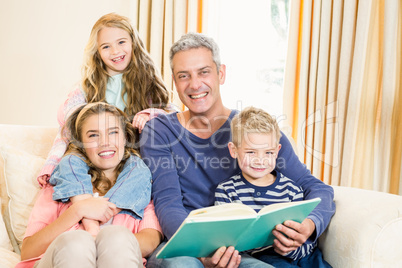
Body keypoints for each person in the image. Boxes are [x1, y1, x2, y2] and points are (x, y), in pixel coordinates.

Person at [139, 32, 335, 268]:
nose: (195, 84)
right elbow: (168, 203)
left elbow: (315, 187)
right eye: (184, 76)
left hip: (239, 251)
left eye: (203, 72)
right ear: (174, 81)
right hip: (184, 245)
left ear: (220, 74)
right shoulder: (159, 130)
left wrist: (310, 226)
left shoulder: (253, 130)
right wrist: (202, 253)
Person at [17, 102, 163, 268]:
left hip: (120, 257)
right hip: (61, 259)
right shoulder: (60, 185)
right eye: (93, 135)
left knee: (116, 237)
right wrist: (78, 210)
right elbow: (28, 252)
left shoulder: (141, 186)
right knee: (77, 241)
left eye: (113, 132)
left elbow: (151, 241)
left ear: (125, 138)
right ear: (81, 143)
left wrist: (102, 243)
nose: (105, 142)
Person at [37, 12, 171, 187]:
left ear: (133, 43)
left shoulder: (148, 83)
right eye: (106, 47)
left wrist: (150, 114)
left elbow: (172, 116)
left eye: (121, 42)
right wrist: (51, 164)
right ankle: (83, 204)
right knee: (68, 164)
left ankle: (113, 207)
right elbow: (67, 129)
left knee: (139, 171)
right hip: (96, 156)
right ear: (97, 52)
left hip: (132, 156)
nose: (116, 51)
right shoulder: (85, 88)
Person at [214, 106, 331, 267]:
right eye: (251, 152)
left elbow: (306, 242)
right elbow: (225, 238)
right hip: (263, 258)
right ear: (234, 150)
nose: (260, 160)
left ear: (277, 151)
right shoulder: (227, 191)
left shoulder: (292, 190)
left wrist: (290, 248)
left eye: (268, 152)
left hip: (300, 255)